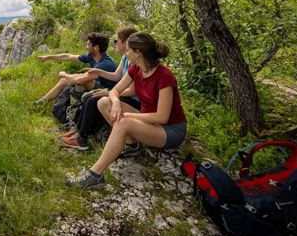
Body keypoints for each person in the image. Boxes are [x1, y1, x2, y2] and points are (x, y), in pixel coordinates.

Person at [66, 32, 187, 189]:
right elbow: (115, 91)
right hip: (148, 120)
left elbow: (162, 117)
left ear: (138, 53)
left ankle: (95, 175)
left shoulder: (164, 75)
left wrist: (127, 115)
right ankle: (131, 145)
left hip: (169, 129)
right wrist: (116, 102)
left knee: (123, 123)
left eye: (128, 50)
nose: (125, 53)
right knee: (104, 102)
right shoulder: (136, 69)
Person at [60, 27, 140, 150]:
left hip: (134, 100)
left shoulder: (135, 62)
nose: (115, 43)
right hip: (123, 93)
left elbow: (133, 90)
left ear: (125, 43)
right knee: (89, 97)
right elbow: (116, 76)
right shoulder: (125, 58)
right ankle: (80, 131)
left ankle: (82, 139)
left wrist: (108, 92)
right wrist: (98, 71)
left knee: (93, 100)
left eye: (116, 40)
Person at [34, 33, 117, 104]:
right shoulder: (92, 56)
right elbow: (68, 56)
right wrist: (49, 57)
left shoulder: (104, 64)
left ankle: (78, 108)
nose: (86, 47)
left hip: (109, 92)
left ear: (96, 47)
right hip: (97, 85)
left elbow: (79, 80)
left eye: (88, 45)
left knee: (82, 80)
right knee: (65, 81)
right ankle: (41, 102)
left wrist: (64, 74)